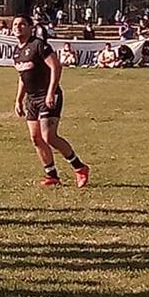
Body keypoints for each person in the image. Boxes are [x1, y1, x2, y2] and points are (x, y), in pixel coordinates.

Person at [10, 16, 90, 187]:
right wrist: (18, 100)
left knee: (49, 136)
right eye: (15, 24)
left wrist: (50, 92)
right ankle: (52, 175)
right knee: (36, 138)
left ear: (30, 27)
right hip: (31, 100)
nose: (18, 27)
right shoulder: (16, 52)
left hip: (47, 95)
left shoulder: (39, 45)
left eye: (22, 24)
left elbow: (55, 66)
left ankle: (80, 167)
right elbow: (23, 77)